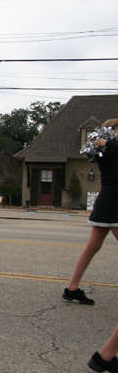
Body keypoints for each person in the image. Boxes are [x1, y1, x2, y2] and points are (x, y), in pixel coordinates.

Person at [64, 124, 118, 305]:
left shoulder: (110, 149)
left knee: (92, 248)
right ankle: (72, 287)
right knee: (91, 248)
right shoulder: (107, 152)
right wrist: (106, 142)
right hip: (112, 204)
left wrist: (108, 142)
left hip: (108, 203)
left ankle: (72, 288)